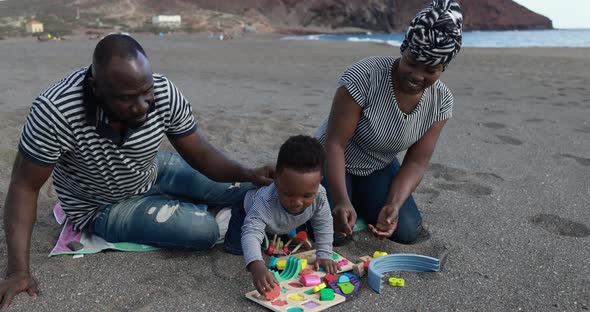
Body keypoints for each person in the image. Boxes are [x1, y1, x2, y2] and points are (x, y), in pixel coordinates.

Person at [0, 34, 274, 309]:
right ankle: (181, 210)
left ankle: (183, 203)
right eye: (127, 99)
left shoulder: (164, 92)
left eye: (146, 92)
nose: (142, 106)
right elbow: (24, 187)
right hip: (101, 206)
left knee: (246, 188)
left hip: (152, 170)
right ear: (96, 88)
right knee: (202, 230)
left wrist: (248, 172)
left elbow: (201, 155)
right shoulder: (55, 112)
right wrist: (17, 271)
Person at [316, 0, 463, 244]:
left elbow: (416, 162)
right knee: (334, 235)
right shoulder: (364, 75)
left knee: (404, 231)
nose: (417, 75)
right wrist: (341, 200)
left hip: (377, 166)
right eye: (412, 62)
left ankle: (362, 199)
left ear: (443, 67)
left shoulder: (441, 101)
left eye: (430, 70)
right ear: (403, 48)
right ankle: (346, 196)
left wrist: (394, 204)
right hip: (330, 159)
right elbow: (334, 144)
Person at [224, 135, 338, 296]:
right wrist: (257, 265)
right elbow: (251, 232)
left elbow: (324, 223)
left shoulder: (319, 195)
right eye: (289, 193)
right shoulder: (265, 200)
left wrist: (325, 254)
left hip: (280, 222)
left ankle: (274, 233)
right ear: (276, 180)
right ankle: (222, 211)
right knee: (236, 248)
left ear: (319, 181)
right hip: (246, 212)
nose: (298, 202)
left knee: (286, 238)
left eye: (307, 196)